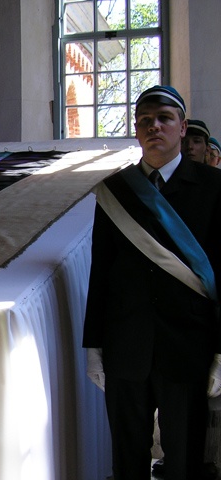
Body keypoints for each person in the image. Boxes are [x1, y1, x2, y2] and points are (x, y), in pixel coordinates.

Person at [83, 85, 221, 480]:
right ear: (137, 130)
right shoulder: (116, 192)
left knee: (184, 462)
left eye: (164, 118)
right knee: (126, 461)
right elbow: (101, 272)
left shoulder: (214, 188)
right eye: (145, 121)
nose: (154, 127)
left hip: (188, 347)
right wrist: (94, 345)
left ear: (182, 127)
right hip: (127, 346)